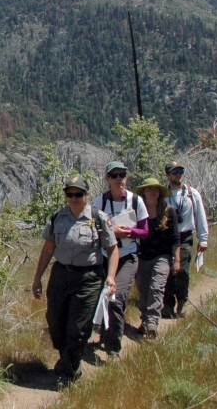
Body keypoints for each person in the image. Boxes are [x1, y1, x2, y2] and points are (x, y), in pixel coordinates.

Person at [33, 175, 119, 388]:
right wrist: (37, 278)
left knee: (78, 328)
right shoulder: (57, 217)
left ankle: (69, 372)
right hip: (61, 275)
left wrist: (110, 277)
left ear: (87, 195)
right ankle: (68, 359)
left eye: (78, 194)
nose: (74, 198)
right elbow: (47, 250)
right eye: (70, 194)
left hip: (88, 278)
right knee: (56, 323)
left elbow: (112, 249)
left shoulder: (98, 218)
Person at [92, 161, 149, 360]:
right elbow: (92, 228)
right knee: (101, 298)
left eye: (122, 175)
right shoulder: (100, 203)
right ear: (107, 179)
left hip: (128, 257)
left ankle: (113, 349)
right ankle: (103, 332)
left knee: (116, 299)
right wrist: (110, 232)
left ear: (127, 177)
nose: (118, 179)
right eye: (114, 175)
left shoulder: (135, 201)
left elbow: (144, 231)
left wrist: (126, 232)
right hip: (105, 258)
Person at [133, 177, 180, 338]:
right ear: (144, 192)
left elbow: (175, 239)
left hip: (162, 256)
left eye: (156, 189)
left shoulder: (168, 211)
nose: (153, 192)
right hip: (142, 257)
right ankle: (145, 319)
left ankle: (152, 322)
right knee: (143, 290)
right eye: (149, 189)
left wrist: (177, 260)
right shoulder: (138, 211)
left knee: (157, 287)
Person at [162, 160, 209, 318]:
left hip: (185, 236)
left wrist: (203, 239)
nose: (178, 174)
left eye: (180, 171)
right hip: (167, 237)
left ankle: (182, 302)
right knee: (167, 271)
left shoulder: (191, 193)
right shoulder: (163, 195)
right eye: (174, 172)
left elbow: (200, 216)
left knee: (182, 270)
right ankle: (167, 304)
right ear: (167, 175)